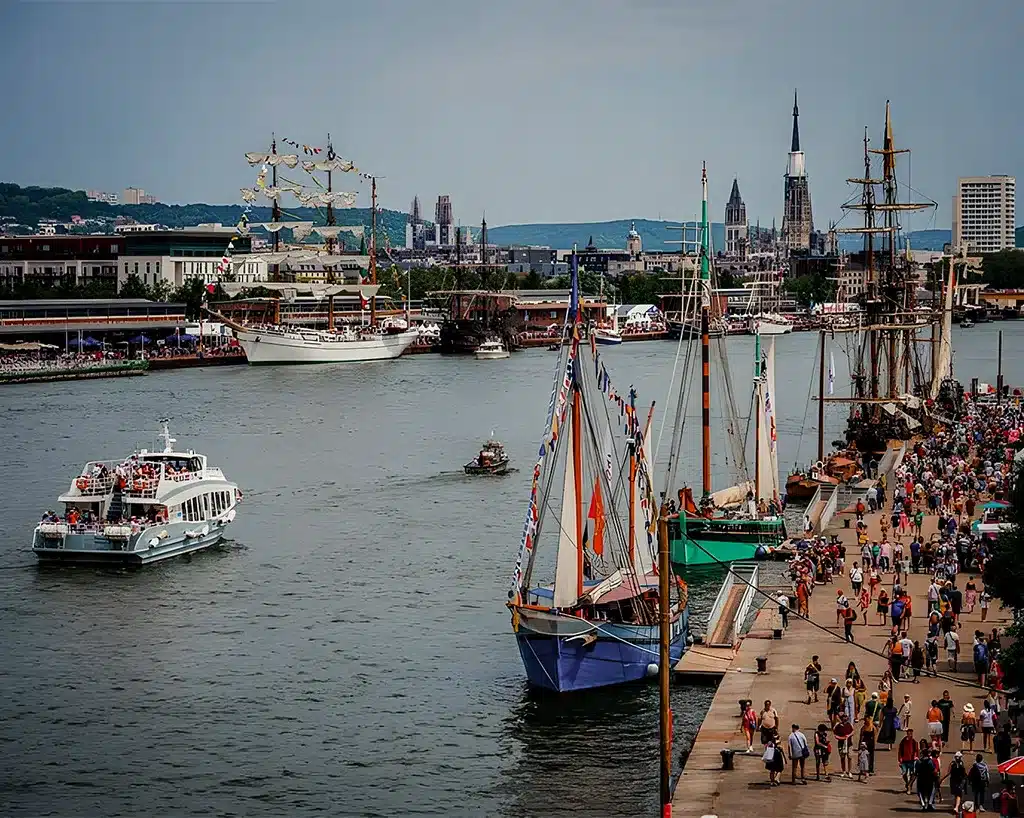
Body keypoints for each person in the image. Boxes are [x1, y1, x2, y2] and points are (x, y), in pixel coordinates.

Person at [942, 751, 968, 816]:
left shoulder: (952, 763)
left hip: (953, 781)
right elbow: (964, 773)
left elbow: (948, 772)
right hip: (960, 781)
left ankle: (956, 806)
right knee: (959, 794)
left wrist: (942, 779)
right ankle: (956, 807)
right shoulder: (962, 763)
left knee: (956, 794)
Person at [834, 713, 855, 779]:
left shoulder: (849, 724)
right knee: (842, 758)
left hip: (849, 744)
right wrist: (842, 738)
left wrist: (848, 736)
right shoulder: (838, 726)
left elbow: (853, 731)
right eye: (844, 717)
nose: (845, 719)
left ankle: (849, 772)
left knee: (849, 757)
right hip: (841, 744)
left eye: (846, 717)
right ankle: (844, 771)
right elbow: (836, 736)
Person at [898, 727, 919, 794]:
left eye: (911, 733)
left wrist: (916, 757)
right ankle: (908, 783)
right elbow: (900, 750)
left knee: (913, 774)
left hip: (912, 760)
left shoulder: (914, 741)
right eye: (909, 733)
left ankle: (909, 785)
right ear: (907, 733)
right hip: (904, 760)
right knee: (904, 773)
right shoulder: (903, 741)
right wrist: (900, 758)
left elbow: (916, 750)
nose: (910, 735)